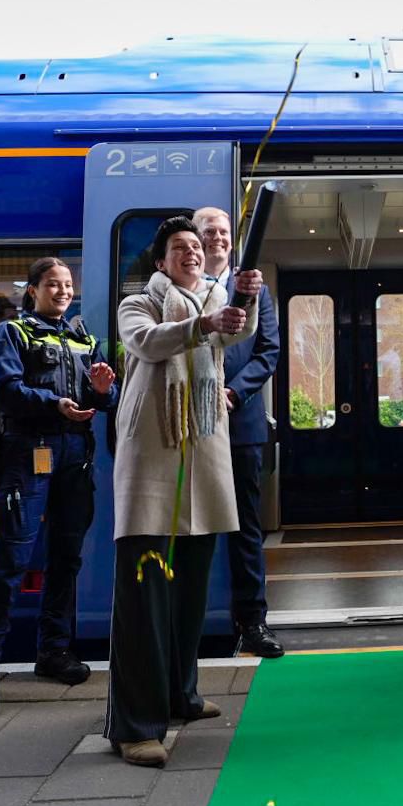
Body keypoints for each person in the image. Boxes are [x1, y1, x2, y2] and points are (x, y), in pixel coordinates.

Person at [104, 215, 261, 766]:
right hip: (154, 463)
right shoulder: (138, 303)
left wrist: (247, 299)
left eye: (197, 246)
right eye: (180, 247)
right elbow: (146, 345)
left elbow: (234, 330)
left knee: (190, 594)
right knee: (145, 600)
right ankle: (134, 726)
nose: (193, 252)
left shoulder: (211, 301)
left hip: (201, 464)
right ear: (161, 261)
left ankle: (180, 695)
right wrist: (206, 322)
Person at [0, 257, 118, 717]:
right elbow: (5, 391)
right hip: (27, 456)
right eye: (53, 284)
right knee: (9, 561)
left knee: (66, 560)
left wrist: (104, 390)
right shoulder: (12, 334)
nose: (63, 291)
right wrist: (57, 405)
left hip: (75, 457)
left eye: (68, 284)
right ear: (32, 290)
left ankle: (53, 652)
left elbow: (100, 397)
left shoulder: (82, 336)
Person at [194, 206, 285, 659]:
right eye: (208, 230)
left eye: (225, 231)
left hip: (241, 425)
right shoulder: (181, 289)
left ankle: (253, 624)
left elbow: (268, 350)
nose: (218, 237)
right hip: (191, 424)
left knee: (246, 528)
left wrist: (234, 392)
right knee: (195, 527)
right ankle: (193, 620)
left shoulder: (254, 288)